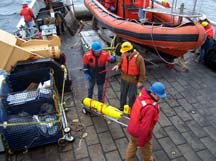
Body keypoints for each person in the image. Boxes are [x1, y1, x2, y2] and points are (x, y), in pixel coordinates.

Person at [125, 82, 167, 161]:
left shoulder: (142, 96)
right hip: (140, 134)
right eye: (159, 96)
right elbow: (145, 128)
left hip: (133, 128)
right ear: (154, 94)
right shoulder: (150, 109)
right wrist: (142, 142)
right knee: (147, 151)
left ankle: (128, 159)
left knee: (132, 144)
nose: (160, 98)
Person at [112, 41, 146, 111]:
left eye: (124, 52)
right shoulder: (124, 55)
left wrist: (140, 81)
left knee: (132, 96)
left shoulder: (139, 59)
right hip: (124, 79)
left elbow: (142, 71)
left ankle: (131, 110)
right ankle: (122, 107)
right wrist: (117, 65)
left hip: (133, 81)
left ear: (129, 52)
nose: (123, 53)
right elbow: (120, 61)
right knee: (123, 94)